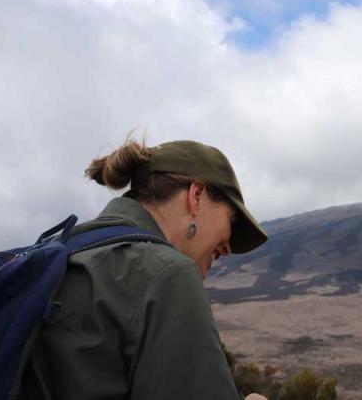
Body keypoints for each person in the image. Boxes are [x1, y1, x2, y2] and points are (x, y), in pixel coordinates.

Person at [18, 138, 270, 400]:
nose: (228, 247)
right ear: (196, 196)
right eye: (231, 220)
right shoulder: (166, 274)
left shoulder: (60, 254)